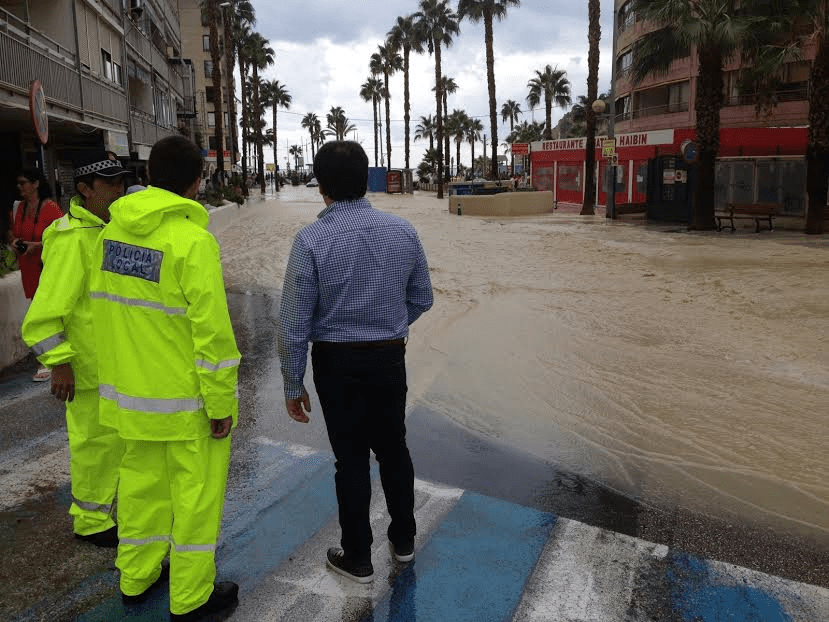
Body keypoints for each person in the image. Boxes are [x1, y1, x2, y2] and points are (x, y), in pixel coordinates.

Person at [89, 135, 240, 620]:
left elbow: (104, 315)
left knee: (138, 491)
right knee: (194, 499)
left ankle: (136, 576)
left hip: (129, 399)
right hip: (185, 404)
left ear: (148, 176)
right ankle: (191, 597)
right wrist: (220, 405)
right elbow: (212, 335)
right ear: (197, 182)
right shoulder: (193, 241)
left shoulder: (109, 237)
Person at [277, 140, 433, 583]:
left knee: (350, 461)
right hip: (389, 358)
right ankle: (403, 542)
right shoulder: (403, 232)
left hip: (336, 364)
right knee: (394, 450)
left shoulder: (310, 240)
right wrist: (387, 323)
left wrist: (293, 382)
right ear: (366, 180)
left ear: (319, 186)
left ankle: (358, 558)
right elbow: (423, 297)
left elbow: (293, 320)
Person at [20, 152, 128, 547]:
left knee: (114, 444)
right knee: (94, 446)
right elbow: (43, 316)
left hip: (113, 365)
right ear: (84, 189)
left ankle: (106, 513)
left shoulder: (105, 230)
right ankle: (91, 521)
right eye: (110, 184)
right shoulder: (71, 238)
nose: (119, 190)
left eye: (121, 181)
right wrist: (60, 363)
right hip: (86, 368)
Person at [7, 168, 63, 381]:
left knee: (47, 316)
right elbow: (13, 232)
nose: (20, 187)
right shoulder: (18, 208)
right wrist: (15, 242)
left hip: (46, 269)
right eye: (19, 183)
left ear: (36, 184)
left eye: (24, 183)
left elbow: (61, 237)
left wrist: (37, 245)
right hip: (29, 270)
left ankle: (49, 361)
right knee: (39, 315)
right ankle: (50, 358)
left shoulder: (50, 208)